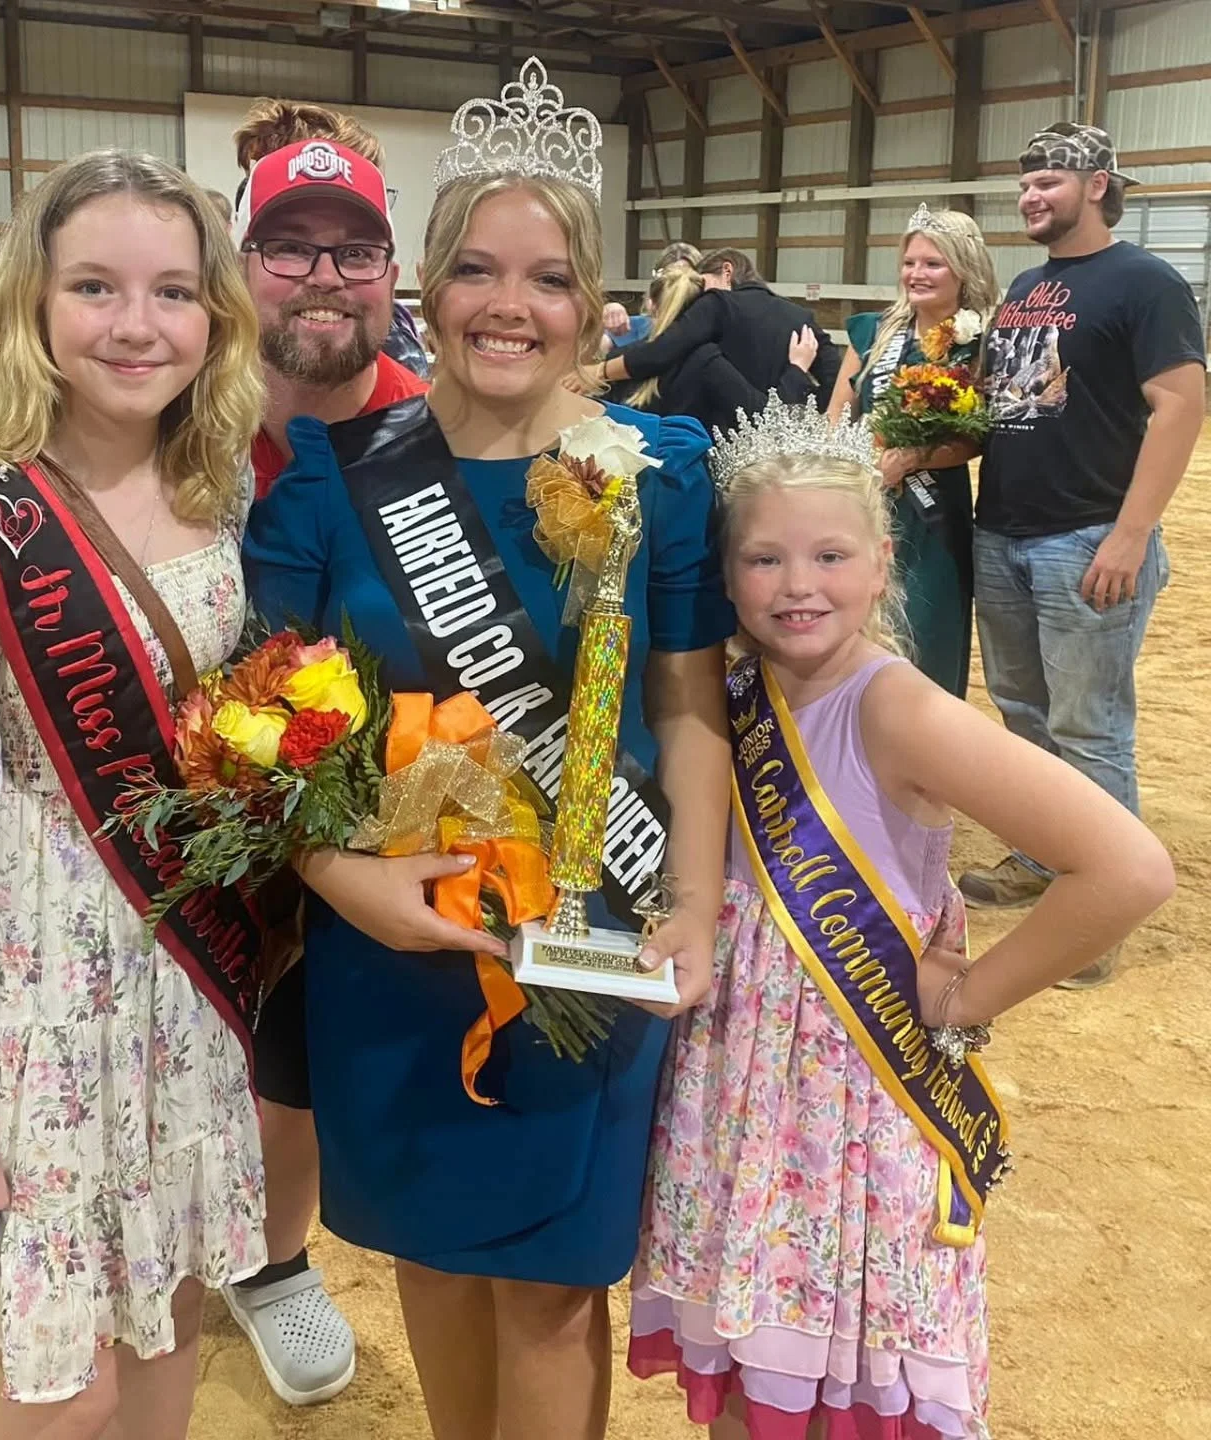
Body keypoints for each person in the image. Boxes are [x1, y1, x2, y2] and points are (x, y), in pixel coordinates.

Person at [245, 59, 736, 1440]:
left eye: (548, 278)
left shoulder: (663, 467)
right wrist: (342, 881)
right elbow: (272, 729)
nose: (509, 306)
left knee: (551, 1290)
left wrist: (692, 906)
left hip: (596, 934)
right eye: (476, 270)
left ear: (594, 305)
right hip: (394, 949)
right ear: (429, 291)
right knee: (432, 1260)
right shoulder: (334, 484)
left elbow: (693, 702)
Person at [629, 397, 1175, 1438]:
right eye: (763, 561)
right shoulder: (733, 692)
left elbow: (1129, 868)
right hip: (748, 1092)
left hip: (855, 1111)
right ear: (725, 573)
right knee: (754, 1389)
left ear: (885, 564)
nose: (797, 586)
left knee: (852, 1402)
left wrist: (969, 996)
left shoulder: (897, 706)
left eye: (830, 556)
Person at [0, 149, 267, 1440]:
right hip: (30, 1011)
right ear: (32, 303)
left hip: (174, 987)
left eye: (174, 293)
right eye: (96, 287)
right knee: (62, 1391)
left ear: (213, 317)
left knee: (168, 1323)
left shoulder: (216, 485)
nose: (139, 325)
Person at [225, 111, 432, 1406]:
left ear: (390, 273)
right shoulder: (172, 409)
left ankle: (271, 1262)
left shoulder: (441, 430)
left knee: (290, 1064)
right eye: (288, 248)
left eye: (350, 249)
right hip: (162, 800)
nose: (321, 275)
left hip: (352, 824)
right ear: (240, 267)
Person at [957, 121, 1205, 986]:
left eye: (1049, 182)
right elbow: (994, 406)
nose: (1031, 195)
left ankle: (1095, 918)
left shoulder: (1147, 282)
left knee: (1089, 727)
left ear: (1097, 185)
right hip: (1006, 531)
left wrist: (1131, 534)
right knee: (1024, 716)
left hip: (1087, 536)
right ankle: (1040, 854)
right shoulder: (1026, 285)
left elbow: (1178, 406)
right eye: (1024, 183)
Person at [827, 207, 1000, 698]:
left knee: (926, 630)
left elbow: (977, 435)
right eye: (909, 263)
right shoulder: (873, 332)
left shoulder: (981, 342)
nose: (916, 275)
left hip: (932, 512)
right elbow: (838, 411)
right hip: (860, 499)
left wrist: (913, 458)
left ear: (964, 269)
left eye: (932, 264)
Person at [233, 97, 429, 382]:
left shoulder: (424, 417)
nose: (326, 278)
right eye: (290, 248)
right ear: (239, 270)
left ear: (391, 279)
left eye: (356, 252)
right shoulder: (187, 413)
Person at [597, 247, 841, 412]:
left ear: (727, 272)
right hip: (771, 434)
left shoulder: (716, 307)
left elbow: (663, 349)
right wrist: (804, 398)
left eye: (702, 282)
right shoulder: (801, 317)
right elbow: (835, 379)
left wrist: (600, 370)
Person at [624, 262, 819, 432]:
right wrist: (797, 369)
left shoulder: (624, 360)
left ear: (651, 305)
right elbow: (764, 417)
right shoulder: (706, 361)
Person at [601, 241, 701, 349]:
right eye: (672, 280)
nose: (678, 289)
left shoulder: (709, 330)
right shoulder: (629, 328)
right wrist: (602, 318)